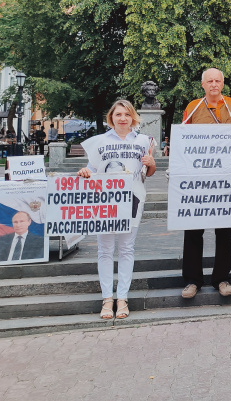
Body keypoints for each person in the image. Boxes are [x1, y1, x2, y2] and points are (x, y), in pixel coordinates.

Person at [77, 100, 156, 319]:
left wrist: (151, 163)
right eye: (118, 114)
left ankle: (122, 298)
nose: (122, 118)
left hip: (133, 199)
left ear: (133, 118)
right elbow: (92, 169)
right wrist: (85, 171)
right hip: (105, 201)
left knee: (126, 249)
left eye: (127, 114)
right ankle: (107, 299)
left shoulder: (144, 140)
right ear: (111, 117)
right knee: (105, 250)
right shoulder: (99, 141)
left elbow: (149, 173)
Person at [180, 68, 231, 300]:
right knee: (193, 228)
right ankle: (192, 280)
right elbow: (183, 141)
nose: (214, 84)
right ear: (202, 84)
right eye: (209, 81)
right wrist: (178, 170)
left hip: (226, 178)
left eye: (217, 80)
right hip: (198, 178)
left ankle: (222, 278)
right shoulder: (192, 108)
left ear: (223, 83)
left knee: (224, 228)